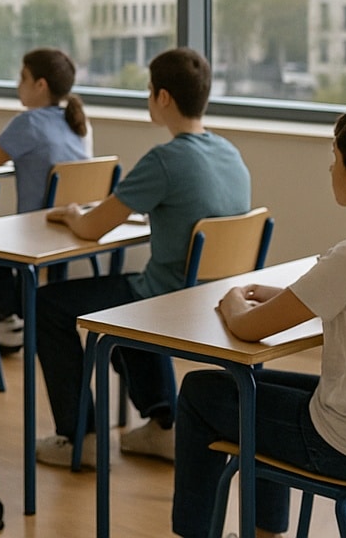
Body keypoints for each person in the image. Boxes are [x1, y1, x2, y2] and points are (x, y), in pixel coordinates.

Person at [170, 107, 346, 538]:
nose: (330, 167)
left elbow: (248, 329)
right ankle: (266, 531)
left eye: (335, 156)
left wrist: (233, 298)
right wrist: (285, 299)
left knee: (199, 390)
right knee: (257, 389)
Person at [32, 47, 250, 467]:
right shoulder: (230, 153)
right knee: (124, 303)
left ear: (163, 97)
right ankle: (162, 426)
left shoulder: (165, 160)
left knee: (47, 305)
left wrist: (75, 214)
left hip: (169, 303)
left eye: (150, 90)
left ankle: (81, 438)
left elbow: (94, 229)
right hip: (217, 298)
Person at [0, 47, 94, 350]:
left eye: (22, 77)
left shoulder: (28, 123)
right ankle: (18, 318)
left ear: (41, 84)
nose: (17, 85)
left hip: (39, 231)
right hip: (75, 225)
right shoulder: (78, 121)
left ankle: (11, 320)